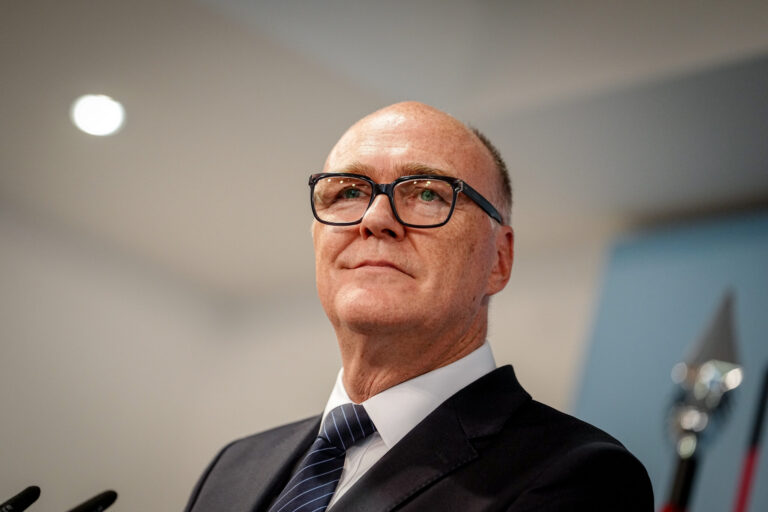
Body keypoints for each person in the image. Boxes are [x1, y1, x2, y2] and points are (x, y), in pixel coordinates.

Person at [184, 102, 654, 511]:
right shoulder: (233, 467)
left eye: (428, 193)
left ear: (499, 259)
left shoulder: (580, 475)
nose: (374, 219)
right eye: (349, 192)